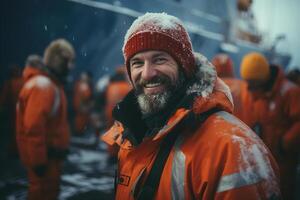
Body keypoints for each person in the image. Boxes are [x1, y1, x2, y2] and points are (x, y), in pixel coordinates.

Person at [101, 12, 280, 199]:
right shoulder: (132, 137)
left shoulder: (234, 150)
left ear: (184, 67)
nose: (147, 73)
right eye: (137, 63)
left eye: (160, 59)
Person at [16, 39, 75, 200]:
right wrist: (38, 162)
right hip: (45, 162)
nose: (70, 67)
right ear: (57, 60)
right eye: (67, 61)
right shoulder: (43, 86)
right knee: (42, 194)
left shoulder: (48, 85)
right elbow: (33, 128)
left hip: (49, 160)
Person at [240, 52, 300, 200]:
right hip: (261, 157)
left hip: (283, 159)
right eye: (247, 81)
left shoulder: (290, 92)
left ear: (261, 79)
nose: (248, 85)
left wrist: (284, 144)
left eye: (252, 81)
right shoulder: (252, 93)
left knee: (283, 192)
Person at [211, 53, 253, 125]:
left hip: (220, 129)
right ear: (230, 68)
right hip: (244, 129)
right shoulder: (244, 86)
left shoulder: (213, 86)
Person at [0, 65, 24, 157]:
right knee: (17, 130)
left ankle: (16, 149)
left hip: (16, 110)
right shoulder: (24, 81)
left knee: (15, 130)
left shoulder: (9, 82)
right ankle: (18, 149)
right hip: (17, 110)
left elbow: (3, 96)